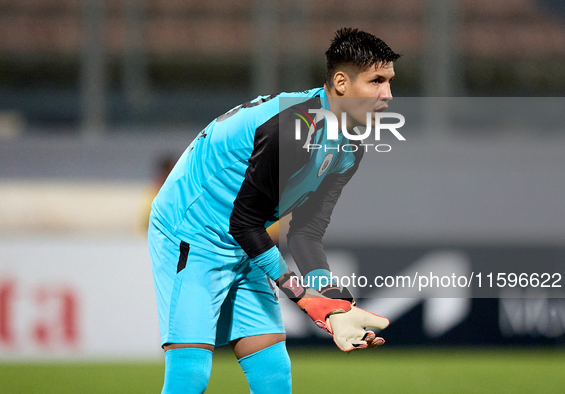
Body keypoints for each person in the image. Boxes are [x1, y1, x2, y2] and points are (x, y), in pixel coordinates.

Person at [148, 27, 401, 394]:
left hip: (242, 240)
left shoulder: (351, 144)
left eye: (390, 81)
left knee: (273, 374)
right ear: (342, 83)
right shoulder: (290, 128)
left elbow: (305, 229)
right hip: (191, 233)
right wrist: (301, 295)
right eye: (377, 81)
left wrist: (332, 302)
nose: (388, 95)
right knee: (191, 375)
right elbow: (245, 221)